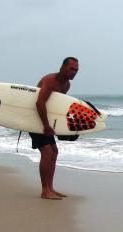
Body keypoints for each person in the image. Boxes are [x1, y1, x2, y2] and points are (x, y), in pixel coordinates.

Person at [30, 57, 79, 200]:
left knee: (54, 151)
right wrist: (45, 125)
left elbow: (56, 107)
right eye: (71, 69)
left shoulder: (66, 85)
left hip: (46, 121)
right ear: (62, 67)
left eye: (76, 70)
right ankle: (45, 190)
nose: (74, 72)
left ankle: (50, 188)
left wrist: (63, 126)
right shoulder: (50, 81)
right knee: (46, 151)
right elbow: (39, 103)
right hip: (35, 119)